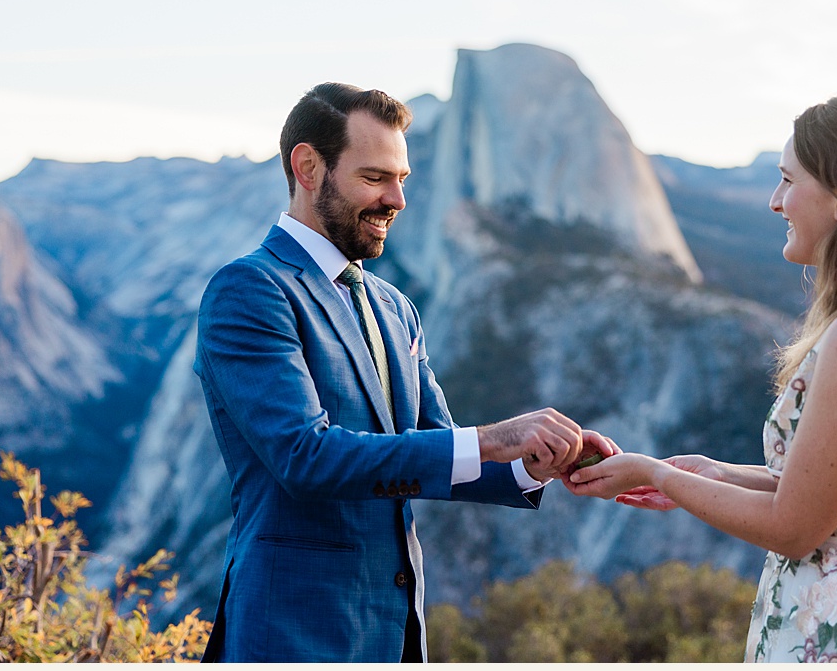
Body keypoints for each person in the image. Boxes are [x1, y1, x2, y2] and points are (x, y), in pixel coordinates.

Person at [567, 90, 837, 662]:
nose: (776, 202)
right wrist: (716, 473)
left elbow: (795, 527)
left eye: (789, 181)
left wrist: (658, 475)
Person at [193, 82, 610, 663]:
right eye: (374, 178)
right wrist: (491, 439)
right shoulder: (249, 291)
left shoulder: (393, 305)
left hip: (394, 635)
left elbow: (436, 448)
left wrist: (531, 464)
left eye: (402, 179)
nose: (398, 199)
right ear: (308, 167)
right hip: (292, 632)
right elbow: (304, 459)